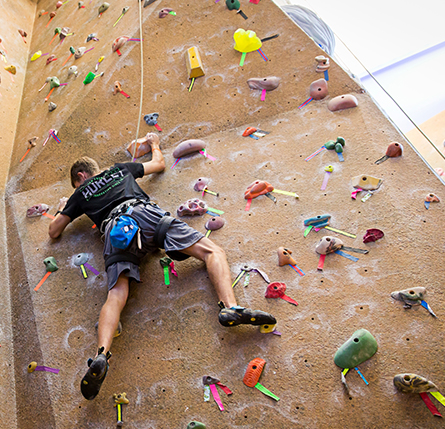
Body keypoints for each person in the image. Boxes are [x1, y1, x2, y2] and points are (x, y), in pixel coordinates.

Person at [48, 133, 277, 400]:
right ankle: (229, 308)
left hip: (115, 230)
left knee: (117, 292)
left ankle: (101, 354)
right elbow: (159, 165)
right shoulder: (119, 170)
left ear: (78, 179)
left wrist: (66, 206)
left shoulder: (79, 194)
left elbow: (54, 231)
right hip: (145, 215)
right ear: (93, 170)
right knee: (211, 251)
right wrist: (154, 144)